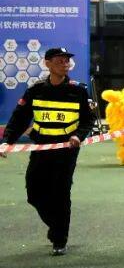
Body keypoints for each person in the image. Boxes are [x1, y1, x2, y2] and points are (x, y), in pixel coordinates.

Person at [1, 48, 95, 256]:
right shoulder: (35, 90)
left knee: (61, 193)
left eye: (67, 61)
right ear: (47, 64)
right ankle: (56, 226)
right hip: (41, 148)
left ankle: (60, 239)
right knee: (33, 193)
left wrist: (78, 136)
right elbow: (20, 118)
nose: (65, 64)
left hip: (66, 150)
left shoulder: (78, 91)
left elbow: (88, 120)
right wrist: (7, 141)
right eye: (60, 61)